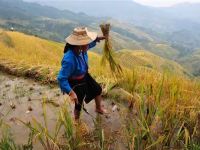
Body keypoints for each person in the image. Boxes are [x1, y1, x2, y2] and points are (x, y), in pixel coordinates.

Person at [57, 27, 107, 120]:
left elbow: (90, 44)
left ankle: (98, 108)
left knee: (97, 89)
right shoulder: (69, 59)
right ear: (79, 45)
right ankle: (76, 120)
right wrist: (71, 92)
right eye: (86, 43)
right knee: (78, 102)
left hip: (84, 75)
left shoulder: (81, 49)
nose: (89, 44)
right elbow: (61, 78)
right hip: (75, 81)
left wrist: (98, 38)